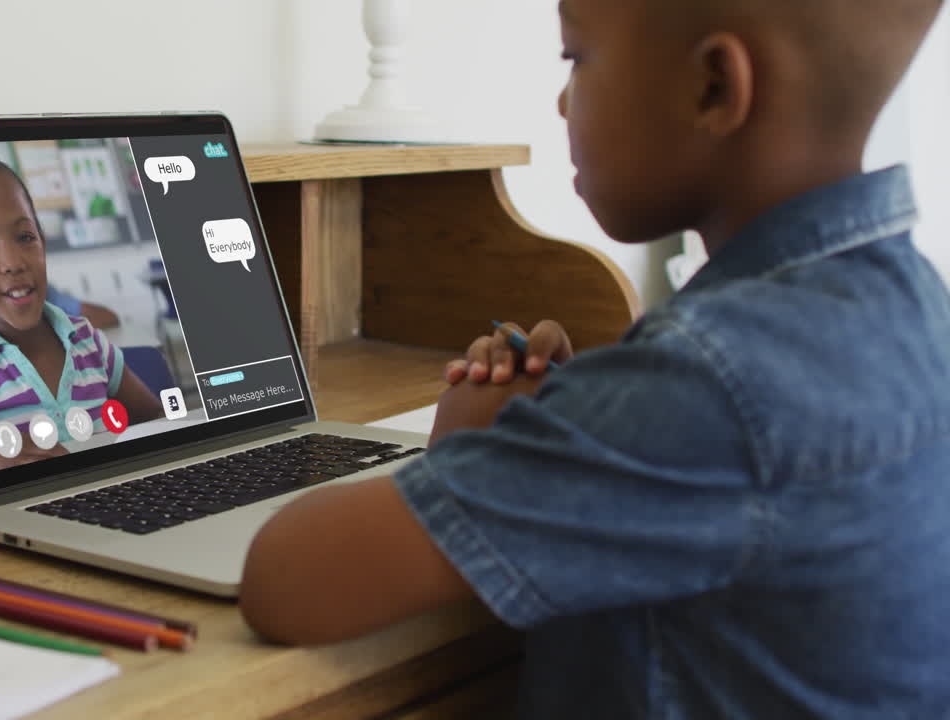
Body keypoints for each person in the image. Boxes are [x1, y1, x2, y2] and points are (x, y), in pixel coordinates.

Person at [239, 1, 950, 717]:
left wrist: (480, 449)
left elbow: (286, 581)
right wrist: (582, 420)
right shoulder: (917, 308)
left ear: (713, 86)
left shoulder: (705, 383)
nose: (560, 100)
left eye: (575, 59)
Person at [0, 152, 163, 484]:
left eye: (25, 237)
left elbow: (154, 419)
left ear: (42, 241)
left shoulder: (88, 343)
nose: (12, 261)